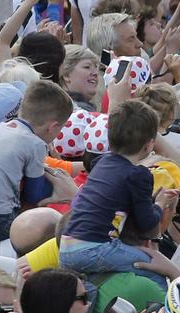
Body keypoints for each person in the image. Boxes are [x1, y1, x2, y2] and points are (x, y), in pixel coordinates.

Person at [59, 99, 170, 284]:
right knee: (155, 267)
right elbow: (147, 222)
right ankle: (163, 312)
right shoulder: (138, 175)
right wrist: (159, 204)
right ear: (149, 145)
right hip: (94, 248)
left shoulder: (101, 163)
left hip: (66, 247)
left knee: (90, 290)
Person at [0, 81, 73, 243]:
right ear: (52, 127)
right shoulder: (35, 143)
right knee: (47, 227)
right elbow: (34, 195)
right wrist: (58, 194)